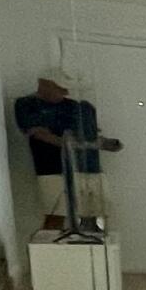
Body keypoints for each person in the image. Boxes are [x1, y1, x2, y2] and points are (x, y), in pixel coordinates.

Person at [13, 66, 123, 239]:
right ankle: (51, 257)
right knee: (56, 214)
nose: (64, 91)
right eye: (59, 86)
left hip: (90, 168)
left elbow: (91, 135)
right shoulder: (28, 104)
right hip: (54, 168)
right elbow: (37, 132)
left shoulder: (81, 107)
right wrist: (71, 144)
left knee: (94, 213)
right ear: (44, 84)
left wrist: (101, 143)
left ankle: (90, 251)